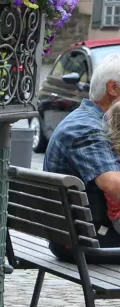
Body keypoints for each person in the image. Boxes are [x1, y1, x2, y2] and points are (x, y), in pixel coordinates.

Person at [45, 52, 120, 262]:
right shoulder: (87, 129)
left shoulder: (88, 121)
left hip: (78, 234)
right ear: (113, 88)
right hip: (87, 240)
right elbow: (114, 184)